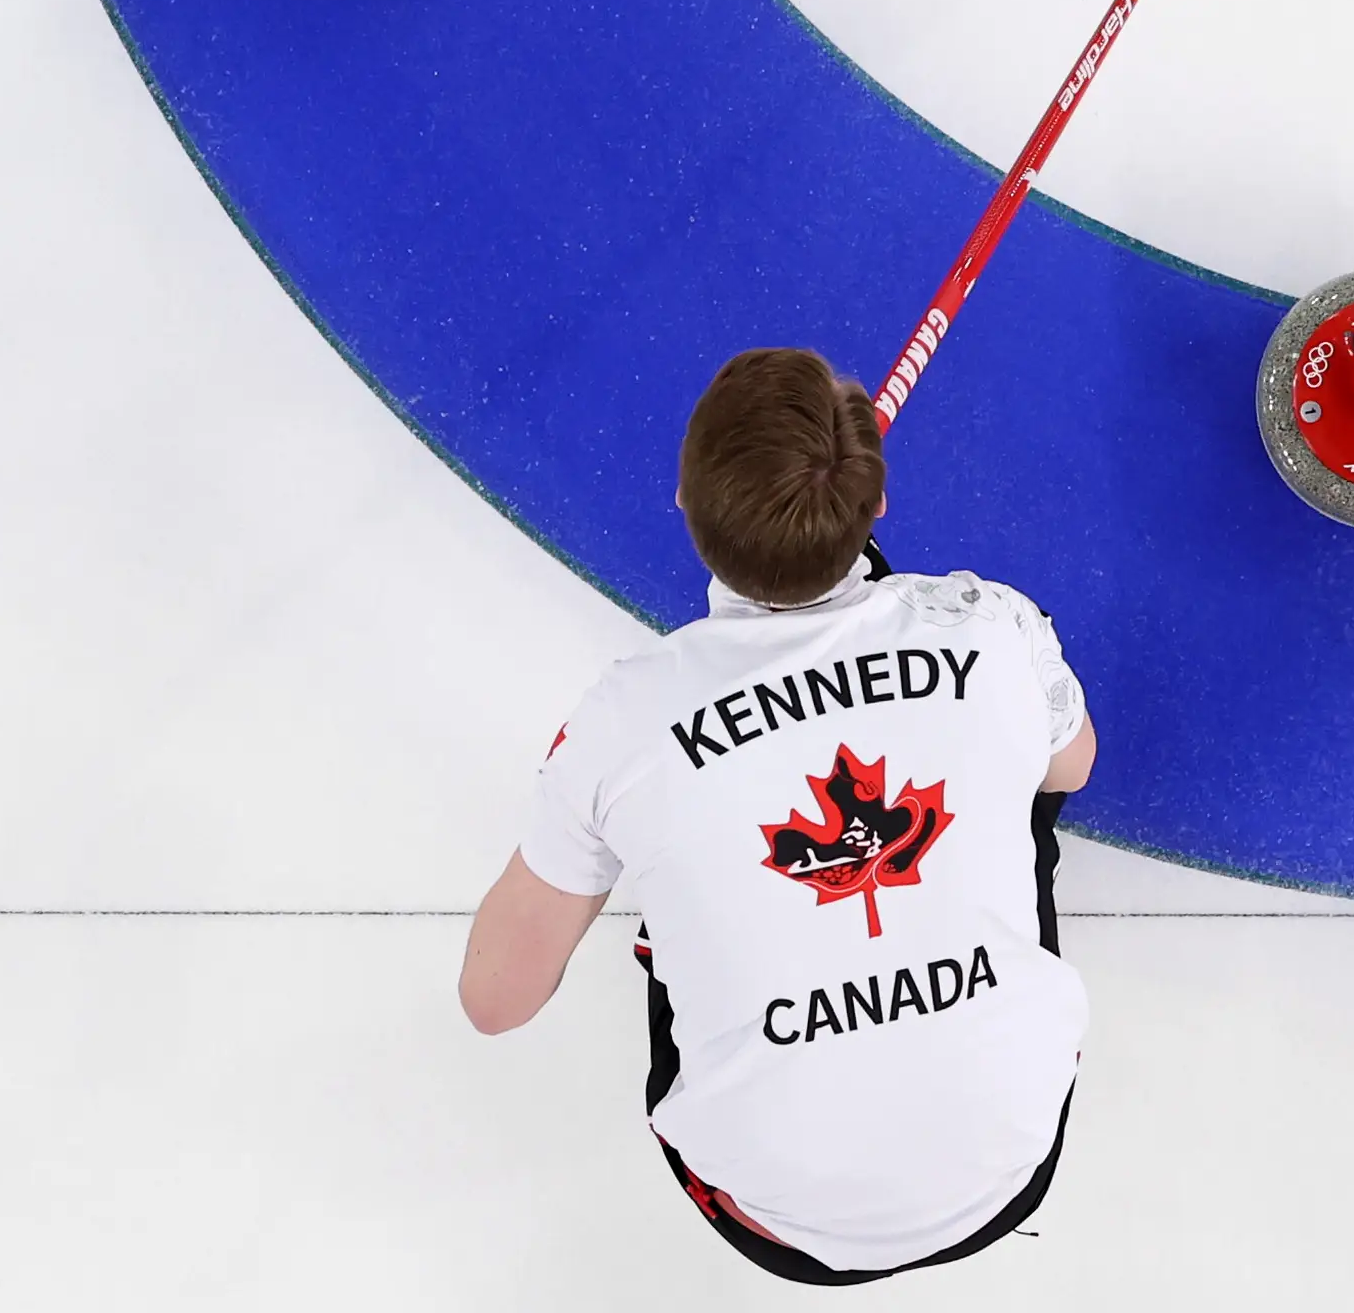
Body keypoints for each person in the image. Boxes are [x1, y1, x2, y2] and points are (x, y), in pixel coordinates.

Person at [461, 346, 1095, 1286]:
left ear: (684, 506)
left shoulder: (622, 720)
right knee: (1025, 797)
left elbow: (494, 1002)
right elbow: (1070, 766)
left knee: (655, 869)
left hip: (780, 1222)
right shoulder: (991, 623)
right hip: (1015, 1159)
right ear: (875, 509)